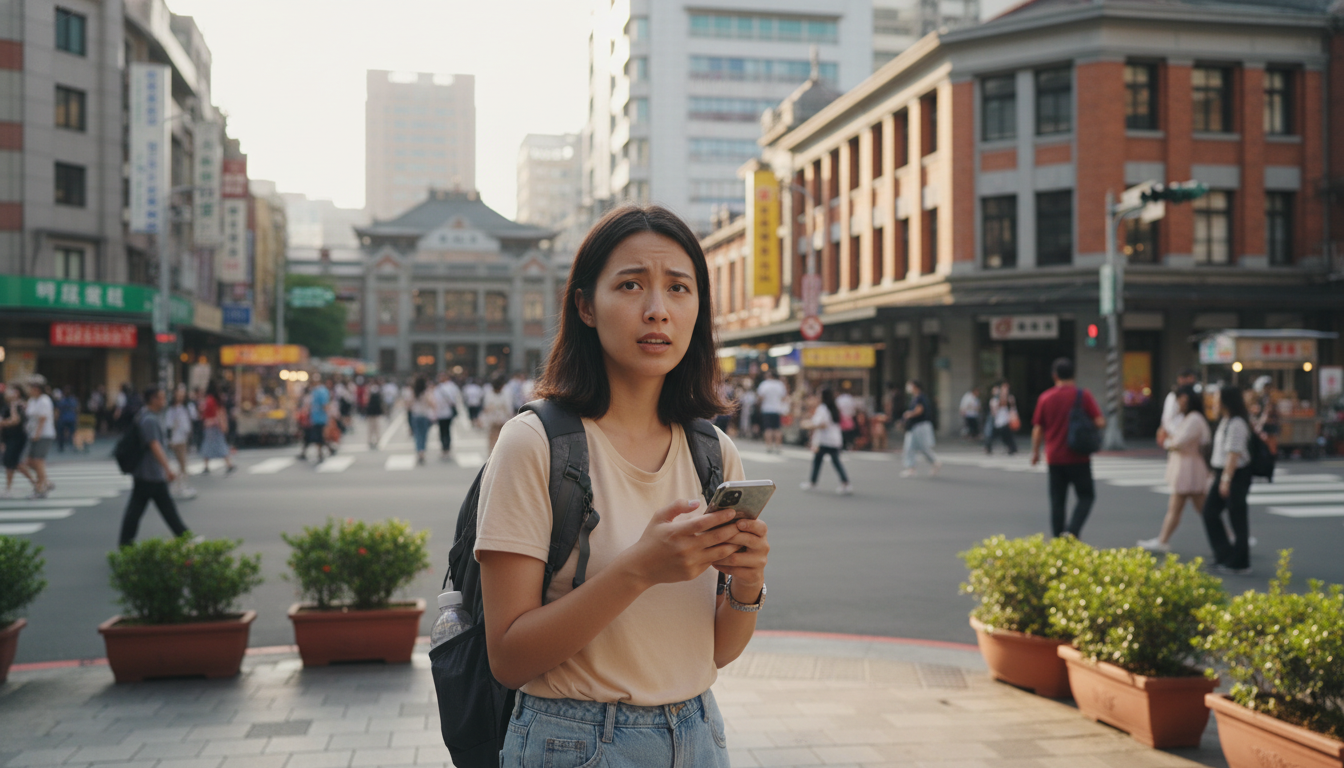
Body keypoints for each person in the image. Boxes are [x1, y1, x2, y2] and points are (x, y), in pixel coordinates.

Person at [476, 205, 764, 766]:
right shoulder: (534, 444)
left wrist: (748, 582)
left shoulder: (713, 452)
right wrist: (639, 569)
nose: (657, 310)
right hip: (573, 739)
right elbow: (509, 658)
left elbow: (719, 650)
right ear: (585, 305)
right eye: (631, 285)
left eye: (679, 288)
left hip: (700, 732)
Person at [1031, 359, 1105, 538]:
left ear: (1054, 376)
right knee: (1086, 496)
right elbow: (1100, 422)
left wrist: (1035, 453)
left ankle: (1058, 541)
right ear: (1074, 374)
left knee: (1057, 502)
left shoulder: (1046, 398)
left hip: (1055, 458)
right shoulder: (1083, 396)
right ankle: (1072, 531)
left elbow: (1038, 429)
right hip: (1079, 457)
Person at [118, 386, 194, 547]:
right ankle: (184, 536)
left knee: (139, 510)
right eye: (161, 398)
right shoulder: (150, 420)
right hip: (150, 472)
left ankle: (125, 543)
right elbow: (154, 445)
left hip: (145, 472)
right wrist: (167, 468)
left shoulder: (145, 415)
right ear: (153, 399)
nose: (164, 401)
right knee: (165, 509)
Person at [1139, 385, 1209, 552]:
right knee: (1195, 509)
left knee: (1194, 509)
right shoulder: (1191, 418)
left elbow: (1177, 442)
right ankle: (1162, 540)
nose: (1179, 404)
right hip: (1187, 466)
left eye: (1181, 401)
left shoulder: (1194, 419)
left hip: (1189, 467)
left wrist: (1169, 442)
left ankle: (1228, 539)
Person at [1202, 385, 1256, 575]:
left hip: (1234, 474)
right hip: (1224, 473)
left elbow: (1233, 454)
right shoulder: (1227, 421)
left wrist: (1225, 479)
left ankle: (1240, 562)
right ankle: (1225, 555)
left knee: (1237, 518)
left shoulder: (1237, 423)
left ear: (1226, 401)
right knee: (1210, 513)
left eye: (1216, 398)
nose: (1213, 402)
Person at [801, 387, 851, 494]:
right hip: (834, 439)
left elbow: (821, 424)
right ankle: (845, 483)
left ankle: (813, 483)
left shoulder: (823, 408)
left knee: (820, 461)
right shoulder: (834, 407)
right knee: (832, 461)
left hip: (825, 440)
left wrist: (807, 425)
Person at [22, 378, 56, 499]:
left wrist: (37, 433)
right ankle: (45, 481)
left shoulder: (44, 400)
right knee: (30, 461)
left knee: (38, 460)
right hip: (32, 434)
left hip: (43, 434)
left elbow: (43, 418)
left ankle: (40, 487)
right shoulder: (32, 400)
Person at [900, 379, 941, 477]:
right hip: (916, 426)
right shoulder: (917, 397)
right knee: (910, 447)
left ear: (915, 386)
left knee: (921, 447)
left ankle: (934, 462)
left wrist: (909, 414)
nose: (908, 388)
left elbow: (919, 410)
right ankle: (911, 467)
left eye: (910, 385)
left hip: (919, 426)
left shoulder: (920, 398)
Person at [2, 386, 36, 498]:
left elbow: (15, 420)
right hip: (9, 437)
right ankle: (34, 483)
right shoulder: (5, 406)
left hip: (18, 437)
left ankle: (36, 483)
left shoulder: (19, 405)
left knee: (14, 463)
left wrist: (13, 406)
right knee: (12, 463)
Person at [165, 386, 197, 500]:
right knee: (182, 464)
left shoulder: (186, 408)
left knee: (182, 464)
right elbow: (169, 425)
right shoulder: (172, 410)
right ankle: (180, 487)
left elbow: (192, 420)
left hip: (184, 438)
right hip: (176, 440)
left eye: (182, 395)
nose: (181, 397)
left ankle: (179, 486)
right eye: (178, 394)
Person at [199, 380, 236, 475]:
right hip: (216, 425)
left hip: (211, 425)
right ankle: (227, 464)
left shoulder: (208, 400)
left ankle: (208, 466)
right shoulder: (216, 399)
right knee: (219, 444)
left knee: (211, 445)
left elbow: (203, 412)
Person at [1156, 368, 1198, 446]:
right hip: (1175, 434)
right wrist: (1165, 430)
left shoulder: (1195, 416)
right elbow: (1167, 416)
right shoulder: (1173, 396)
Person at [297, 374, 331, 464]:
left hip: (320, 418)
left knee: (318, 436)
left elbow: (325, 405)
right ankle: (328, 449)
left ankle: (321, 453)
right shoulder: (314, 391)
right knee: (313, 436)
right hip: (314, 417)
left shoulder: (321, 391)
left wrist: (329, 416)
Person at [479, 371, 513, 455]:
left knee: (493, 441)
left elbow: (486, 407)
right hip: (503, 421)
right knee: (502, 440)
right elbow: (508, 408)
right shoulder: (506, 393)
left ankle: (493, 457)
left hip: (493, 421)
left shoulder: (489, 393)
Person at [756, 370, 789, 455]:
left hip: (767, 409)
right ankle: (778, 446)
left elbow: (760, 397)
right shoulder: (780, 385)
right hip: (777, 409)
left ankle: (769, 446)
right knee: (777, 429)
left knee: (768, 429)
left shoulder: (764, 384)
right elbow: (784, 397)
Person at [984, 382, 1019, 455]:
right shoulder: (996, 399)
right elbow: (993, 409)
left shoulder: (1010, 398)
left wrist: (1014, 415)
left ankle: (1012, 448)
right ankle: (988, 447)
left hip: (1006, 419)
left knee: (1007, 435)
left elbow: (1013, 408)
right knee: (992, 434)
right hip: (998, 419)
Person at [434, 372, 462, 457]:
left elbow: (436, 401)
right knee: (447, 430)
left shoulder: (439, 388)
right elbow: (457, 398)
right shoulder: (453, 387)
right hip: (448, 412)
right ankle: (447, 446)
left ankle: (444, 447)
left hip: (441, 413)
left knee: (442, 431)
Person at [409, 375, 435, 465]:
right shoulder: (426, 393)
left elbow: (409, 405)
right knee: (424, 435)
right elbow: (431, 403)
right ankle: (422, 452)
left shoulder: (413, 393)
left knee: (417, 435)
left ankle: (418, 451)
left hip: (415, 416)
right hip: (424, 415)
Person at [55, 388, 79, 452]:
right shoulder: (73, 400)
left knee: (61, 434)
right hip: (71, 418)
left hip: (63, 419)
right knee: (73, 433)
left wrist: (56, 419)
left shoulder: (62, 400)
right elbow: (77, 409)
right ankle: (74, 446)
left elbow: (58, 410)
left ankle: (61, 446)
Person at [364, 378, 385, 449]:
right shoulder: (373, 390)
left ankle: (372, 440)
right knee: (375, 427)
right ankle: (375, 440)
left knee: (372, 427)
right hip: (374, 412)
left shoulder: (370, 390)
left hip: (372, 412)